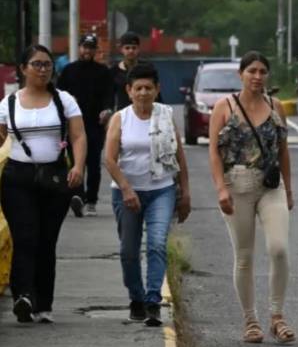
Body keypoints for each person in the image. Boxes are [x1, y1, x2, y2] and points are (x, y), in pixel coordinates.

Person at [208, 52, 295, 344]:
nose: (257, 77)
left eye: (262, 72)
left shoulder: (275, 106)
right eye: (252, 71)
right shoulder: (224, 106)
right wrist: (221, 189)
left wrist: (289, 189)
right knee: (244, 256)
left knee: (279, 249)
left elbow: (283, 150)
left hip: (271, 186)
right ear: (241, 74)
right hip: (237, 185)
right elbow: (214, 152)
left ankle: (277, 317)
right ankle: (250, 320)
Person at [0, 44, 86, 323]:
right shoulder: (8, 104)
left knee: (46, 241)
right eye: (36, 64)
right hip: (17, 178)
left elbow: (78, 135)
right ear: (23, 69)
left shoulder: (64, 100)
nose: (43, 69)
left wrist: (78, 166)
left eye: (47, 64)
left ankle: (43, 304)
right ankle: (23, 296)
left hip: (54, 178)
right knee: (24, 237)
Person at [104, 63, 191, 326]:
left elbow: (179, 155)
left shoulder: (165, 115)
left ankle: (153, 301)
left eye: (148, 88)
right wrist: (126, 189)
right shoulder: (120, 118)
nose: (143, 93)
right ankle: (136, 297)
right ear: (129, 91)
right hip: (126, 194)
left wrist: (185, 192)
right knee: (129, 251)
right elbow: (109, 159)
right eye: (138, 88)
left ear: (157, 89)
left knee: (156, 244)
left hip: (161, 190)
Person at [56, 33, 114, 217]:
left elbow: (109, 96)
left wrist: (106, 110)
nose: (87, 50)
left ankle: (91, 200)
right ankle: (77, 196)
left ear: (95, 50)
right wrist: (67, 100)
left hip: (94, 125)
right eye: (84, 47)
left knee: (94, 164)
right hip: (73, 126)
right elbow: (58, 94)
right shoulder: (69, 70)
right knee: (74, 162)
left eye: (91, 47)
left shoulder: (103, 72)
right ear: (79, 48)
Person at [110, 31, 162, 110]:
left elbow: (156, 92)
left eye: (134, 48)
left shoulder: (147, 68)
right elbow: (110, 96)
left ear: (138, 49)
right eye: (127, 48)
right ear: (121, 49)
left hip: (146, 111)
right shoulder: (114, 71)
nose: (131, 51)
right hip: (123, 113)